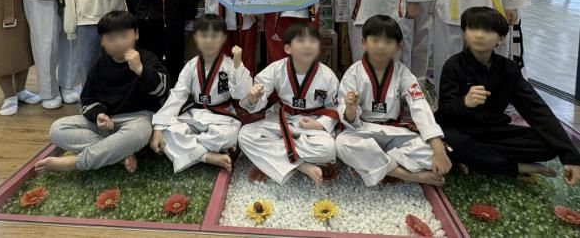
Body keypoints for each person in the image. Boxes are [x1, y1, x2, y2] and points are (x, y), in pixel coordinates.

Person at [435, 7, 580, 183]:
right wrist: (464, 103)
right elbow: (442, 114)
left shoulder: (508, 69)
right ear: (464, 33)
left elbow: (536, 109)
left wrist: (570, 155)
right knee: (448, 139)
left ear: (501, 38)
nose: (479, 35)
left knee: (548, 144)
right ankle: (517, 167)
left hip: (493, 132)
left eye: (487, 30)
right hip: (461, 131)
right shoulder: (453, 66)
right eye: (473, 28)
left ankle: (475, 160)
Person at [35, 11, 169, 173]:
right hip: (109, 122)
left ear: (136, 34)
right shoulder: (99, 65)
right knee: (57, 130)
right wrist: (98, 115)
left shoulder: (147, 58)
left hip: (139, 119)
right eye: (111, 38)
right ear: (102, 41)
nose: (118, 43)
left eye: (124, 36)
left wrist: (140, 70)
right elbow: (88, 99)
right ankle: (119, 155)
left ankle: (76, 162)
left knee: (141, 132)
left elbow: (163, 91)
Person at [335, 15, 451, 187]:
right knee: (342, 144)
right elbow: (348, 118)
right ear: (364, 42)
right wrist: (351, 109)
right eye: (375, 40)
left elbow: (419, 106)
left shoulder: (403, 73)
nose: (381, 46)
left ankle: (372, 162)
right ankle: (408, 175)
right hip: (363, 130)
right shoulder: (353, 73)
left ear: (398, 47)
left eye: (388, 42)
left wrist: (438, 147)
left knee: (430, 153)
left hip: (394, 132)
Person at [238, 23, 339, 185]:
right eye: (301, 41)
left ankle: (272, 160)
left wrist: (320, 124)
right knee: (245, 135)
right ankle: (302, 166)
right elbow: (260, 92)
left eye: (313, 41)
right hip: (283, 118)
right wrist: (253, 97)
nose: (308, 46)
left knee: (328, 149)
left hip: (311, 123)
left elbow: (334, 109)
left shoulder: (328, 75)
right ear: (287, 48)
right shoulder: (276, 69)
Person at [150, 14, 252, 172]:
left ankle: (191, 149)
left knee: (229, 135)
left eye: (214, 36)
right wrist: (158, 127)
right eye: (204, 36)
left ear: (224, 38)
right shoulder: (190, 66)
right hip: (195, 114)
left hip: (222, 116)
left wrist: (238, 63)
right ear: (196, 37)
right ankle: (208, 156)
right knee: (167, 132)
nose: (209, 41)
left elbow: (240, 94)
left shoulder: (229, 65)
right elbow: (178, 95)